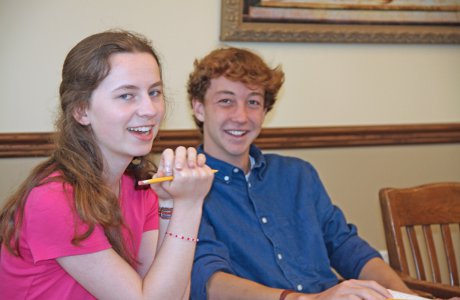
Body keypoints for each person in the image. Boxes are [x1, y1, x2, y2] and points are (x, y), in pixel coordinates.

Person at [187, 47, 416, 300]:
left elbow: (347, 247)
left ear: (264, 111)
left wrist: (409, 297)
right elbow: (208, 281)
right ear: (199, 108)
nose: (241, 116)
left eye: (253, 102)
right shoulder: (186, 187)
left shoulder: (298, 175)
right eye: (226, 101)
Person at [0, 30, 214, 299]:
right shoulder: (53, 198)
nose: (150, 109)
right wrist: (189, 206)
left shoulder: (140, 187)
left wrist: (170, 204)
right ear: (81, 110)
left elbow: (170, 293)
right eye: (127, 95)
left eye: (154, 92)